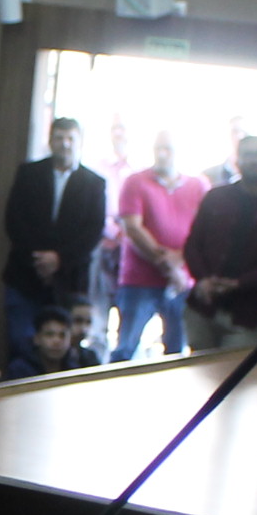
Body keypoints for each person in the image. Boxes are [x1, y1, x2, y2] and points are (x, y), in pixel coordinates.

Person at [0, 118, 107, 369]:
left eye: (70, 138)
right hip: (24, 274)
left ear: (79, 142)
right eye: (59, 137)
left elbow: (93, 232)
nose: (65, 144)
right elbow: (14, 220)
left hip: (69, 280)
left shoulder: (94, 183)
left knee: (64, 351)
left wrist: (59, 260)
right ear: (50, 140)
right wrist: (40, 259)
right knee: (21, 345)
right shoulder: (29, 174)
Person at [180, 134, 257, 354]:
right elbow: (193, 244)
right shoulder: (215, 197)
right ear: (237, 160)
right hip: (203, 306)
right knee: (197, 369)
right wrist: (203, 279)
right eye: (248, 155)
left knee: (236, 372)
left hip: (247, 312)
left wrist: (238, 284)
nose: (254, 160)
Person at [109, 134, 205, 361]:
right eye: (158, 148)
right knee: (125, 350)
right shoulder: (135, 182)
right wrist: (168, 265)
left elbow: (205, 231)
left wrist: (180, 260)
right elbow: (133, 228)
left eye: (168, 149)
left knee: (177, 353)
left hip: (183, 282)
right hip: (139, 280)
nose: (162, 154)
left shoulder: (198, 186)